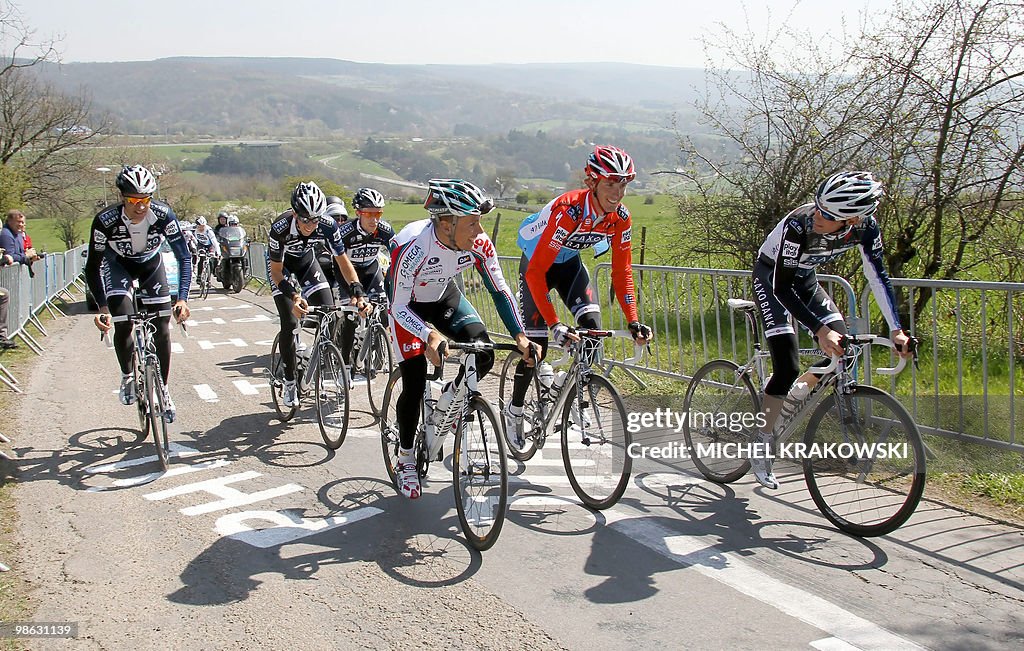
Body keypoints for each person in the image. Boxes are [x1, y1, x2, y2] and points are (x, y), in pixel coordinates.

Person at [750, 170, 913, 489]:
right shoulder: (800, 224)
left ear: (851, 221)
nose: (817, 216)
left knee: (844, 349)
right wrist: (817, 329)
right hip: (772, 278)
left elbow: (878, 278)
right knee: (787, 364)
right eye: (819, 206)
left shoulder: (866, 230)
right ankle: (762, 439)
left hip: (806, 280)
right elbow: (782, 288)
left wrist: (897, 330)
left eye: (827, 214)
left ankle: (798, 392)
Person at [388, 179, 537, 499]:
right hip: (407, 307)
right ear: (446, 222)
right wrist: (428, 334)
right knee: (413, 381)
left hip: (444, 298)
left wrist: (520, 336)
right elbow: (398, 306)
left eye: (479, 222)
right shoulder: (412, 246)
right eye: (472, 223)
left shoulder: (479, 244)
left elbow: (500, 291)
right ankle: (405, 457)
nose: (478, 230)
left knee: (483, 352)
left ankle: (451, 400)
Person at [505, 145, 652, 443]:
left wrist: (633, 320)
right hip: (537, 267)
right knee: (536, 350)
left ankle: (571, 393)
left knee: (593, 334)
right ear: (592, 183)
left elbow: (621, 271)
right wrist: (556, 324)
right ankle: (515, 410)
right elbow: (535, 273)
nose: (617, 193)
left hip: (570, 265)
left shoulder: (620, 217)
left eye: (623, 184)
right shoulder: (568, 211)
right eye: (610, 184)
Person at [85, 165, 192, 423]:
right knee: (124, 321)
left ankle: (163, 389)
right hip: (117, 264)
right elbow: (92, 266)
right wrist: (102, 308)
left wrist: (182, 298)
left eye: (145, 199)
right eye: (134, 200)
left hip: (150, 265)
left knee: (163, 327)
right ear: (123, 198)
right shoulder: (105, 221)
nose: (140, 206)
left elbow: (184, 257)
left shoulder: (164, 215)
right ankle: (127, 375)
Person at [267, 181, 367, 408]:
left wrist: (357, 291)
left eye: (315, 219)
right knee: (290, 321)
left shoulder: (328, 225)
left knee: (329, 311)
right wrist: (294, 296)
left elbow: (343, 262)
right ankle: (290, 380)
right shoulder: (280, 228)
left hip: (306, 263)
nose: (311, 225)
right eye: (305, 220)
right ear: (294, 213)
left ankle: (315, 360)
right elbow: (276, 272)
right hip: (282, 268)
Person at [336, 187, 396, 370]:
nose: (374, 218)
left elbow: (399, 255)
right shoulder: (345, 232)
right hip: (347, 272)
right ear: (358, 213)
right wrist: (353, 292)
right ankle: (345, 367)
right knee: (350, 318)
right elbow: (337, 262)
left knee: (384, 311)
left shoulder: (384, 230)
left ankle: (372, 340)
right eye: (369, 214)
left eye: (378, 213)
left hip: (371, 270)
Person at [192, 216, 219, 283]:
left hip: (210, 245)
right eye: (199, 226)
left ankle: (210, 275)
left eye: (203, 226)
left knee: (212, 257)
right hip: (201, 244)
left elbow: (215, 242)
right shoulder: (194, 227)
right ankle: (199, 275)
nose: (201, 228)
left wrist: (218, 252)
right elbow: (184, 228)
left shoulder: (208, 230)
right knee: (202, 258)